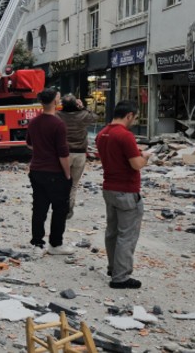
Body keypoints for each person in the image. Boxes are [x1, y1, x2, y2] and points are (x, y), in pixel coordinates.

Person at [96, 100, 151, 289]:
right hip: (126, 190)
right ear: (129, 115)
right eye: (134, 118)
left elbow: (116, 156)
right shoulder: (125, 136)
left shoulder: (102, 134)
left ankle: (113, 267)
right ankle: (120, 277)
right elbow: (135, 164)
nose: (134, 121)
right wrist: (145, 157)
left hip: (109, 188)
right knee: (127, 235)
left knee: (112, 232)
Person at [26, 88, 73, 258]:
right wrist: (68, 174)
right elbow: (63, 153)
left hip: (36, 170)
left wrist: (42, 148)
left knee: (39, 208)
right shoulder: (58, 124)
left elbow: (29, 144)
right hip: (55, 172)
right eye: (58, 98)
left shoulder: (34, 122)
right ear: (54, 102)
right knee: (59, 209)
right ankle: (55, 243)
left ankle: (38, 243)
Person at [56, 94, 98, 219]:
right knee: (73, 184)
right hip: (80, 154)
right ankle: (69, 210)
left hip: (63, 154)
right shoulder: (83, 115)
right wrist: (83, 107)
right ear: (76, 104)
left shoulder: (57, 116)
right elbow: (95, 117)